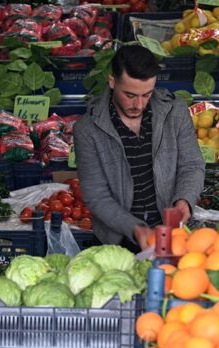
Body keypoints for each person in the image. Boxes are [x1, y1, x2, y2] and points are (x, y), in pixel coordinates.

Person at [73, 45, 205, 252]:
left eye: (147, 94)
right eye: (130, 95)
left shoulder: (175, 111)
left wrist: (184, 200)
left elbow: (191, 164)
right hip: (119, 240)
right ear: (112, 82)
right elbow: (96, 195)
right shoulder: (88, 129)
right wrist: (135, 229)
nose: (139, 104)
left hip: (171, 232)